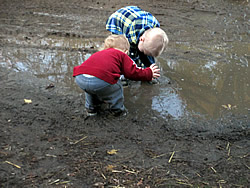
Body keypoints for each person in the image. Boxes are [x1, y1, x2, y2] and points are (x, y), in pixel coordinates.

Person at [73, 35, 160, 117]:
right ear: (126, 51)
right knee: (117, 86)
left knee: (90, 90)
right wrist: (148, 73)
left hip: (81, 77)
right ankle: (117, 110)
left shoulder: (100, 53)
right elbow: (132, 72)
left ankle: (91, 109)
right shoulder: (121, 55)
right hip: (99, 81)